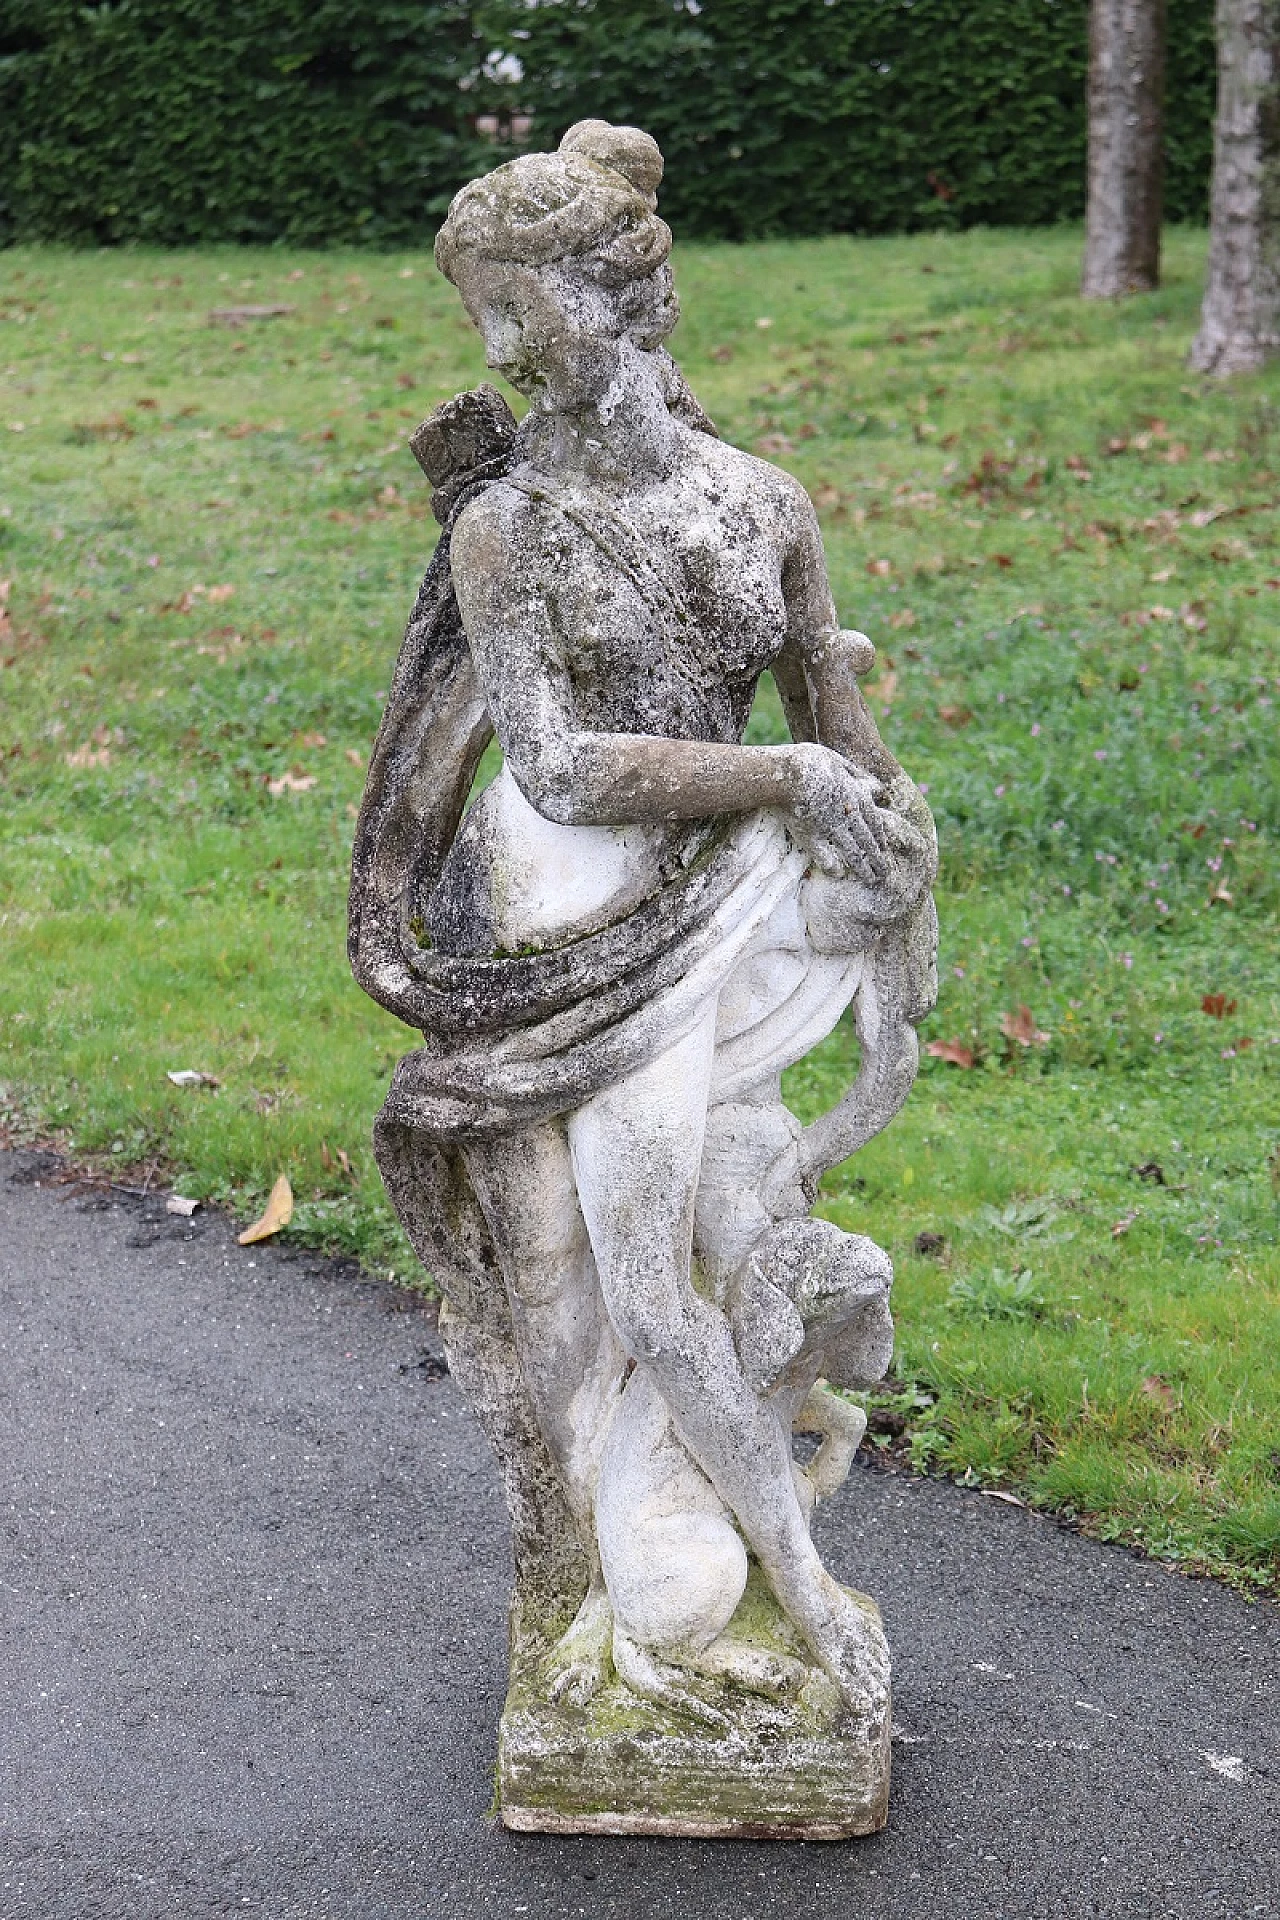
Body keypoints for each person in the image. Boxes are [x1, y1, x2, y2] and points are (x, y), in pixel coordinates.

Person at [348, 118, 937, 1725]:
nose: (492, 348)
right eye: (481, 311)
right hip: (570, 919)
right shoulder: (508, 527)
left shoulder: (766, 503)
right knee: (582, 1296)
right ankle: (647, 1585)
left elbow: (838, 712)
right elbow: (555, 761)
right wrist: (795, 771)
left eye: (511, 306)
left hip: (735, 904)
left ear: (612, 299)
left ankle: (715, 1543)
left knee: (722, 1239)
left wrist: (884, 823)